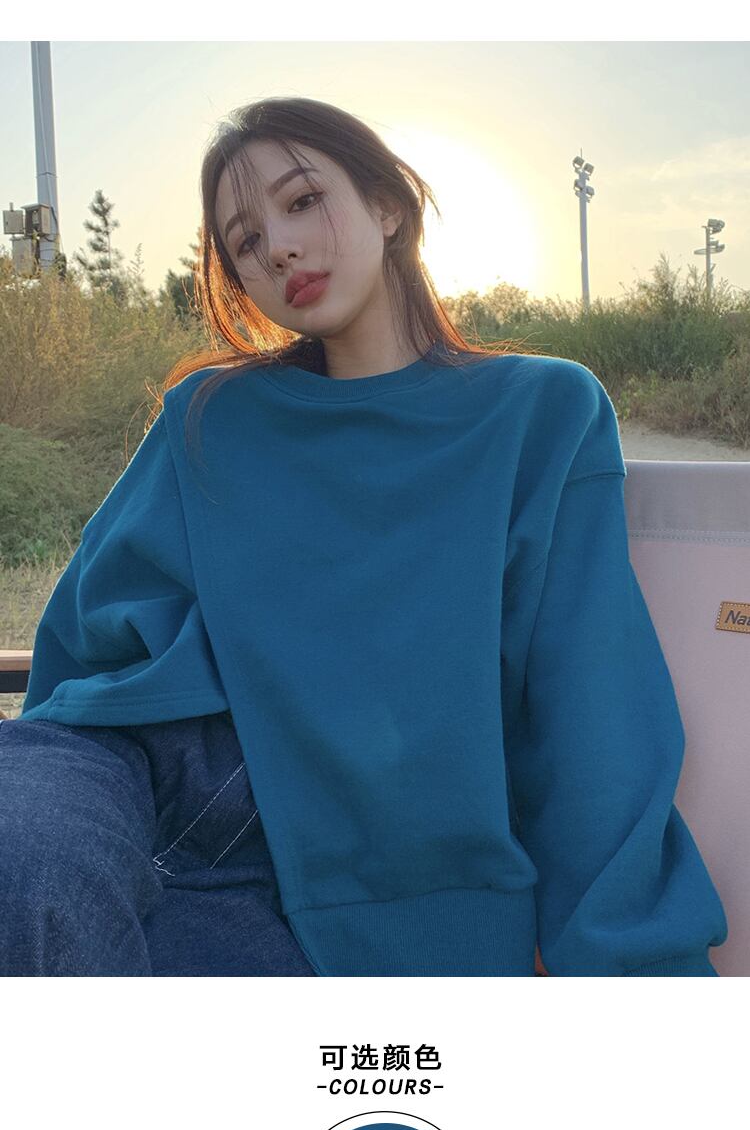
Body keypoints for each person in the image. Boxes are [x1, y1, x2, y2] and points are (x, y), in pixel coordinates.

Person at [0, 95, 729, 977]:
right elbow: (80, 644)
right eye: (245, 241)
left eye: (302, 201)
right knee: (20, 865)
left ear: (387, 205)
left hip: (313, 868)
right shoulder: (209, 417)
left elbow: (593, 713)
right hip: (137, 772)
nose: (278, 248)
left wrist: (638, 977)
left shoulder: (540, 413)